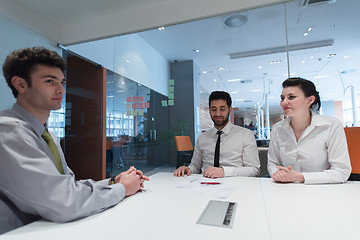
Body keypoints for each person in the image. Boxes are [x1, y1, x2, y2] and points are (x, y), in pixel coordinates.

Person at [0, 47, 149, 234]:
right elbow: (64, 201)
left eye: (62, 82)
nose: (61, 89)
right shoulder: (8, 131)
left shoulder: (47, 135)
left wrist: (113, 181)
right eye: (49, 81)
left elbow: (68, 186)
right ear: (20, 85)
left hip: (53, 229)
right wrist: (122, 189)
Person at [267, 77, 351, 184]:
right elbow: (273, 163)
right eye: (282, 98)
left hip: (323, 190)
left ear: (310, 100)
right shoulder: (277, 129)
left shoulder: (331, 125)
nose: (284, 102)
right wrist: (277, 174)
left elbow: (342, 171)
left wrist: (300, 177)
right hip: (287, 189)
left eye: (291, 97)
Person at [174, 91, 260, 178]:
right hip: (204, 185)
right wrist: (188, 169)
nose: (218, 114)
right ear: (209, 110)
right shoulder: (202, 137)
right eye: (214, 109)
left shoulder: (246, 135)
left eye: (222, 109)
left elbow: (254, 170)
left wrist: (224, 172)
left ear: (230, 110)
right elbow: (196, 166)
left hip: (234, 184)